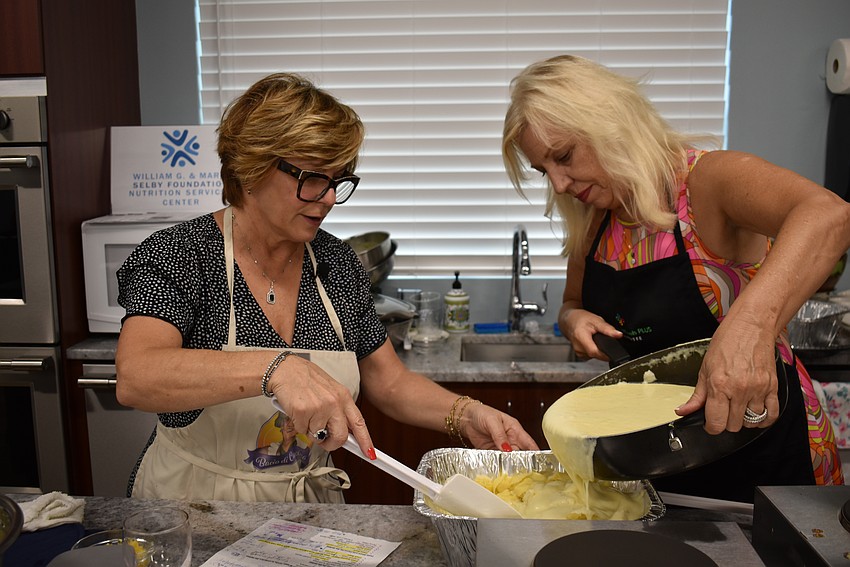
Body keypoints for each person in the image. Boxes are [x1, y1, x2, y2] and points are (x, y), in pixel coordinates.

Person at [115, 72, 538, 503]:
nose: (330, 197)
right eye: (313, 177)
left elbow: (389, 383)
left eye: (338, 180)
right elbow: (137, 375)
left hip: (307, 512)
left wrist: (464, 414)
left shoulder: (336, 263)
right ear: (251, 169)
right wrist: (276, 369)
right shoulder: (181, 254)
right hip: (192, 504)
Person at [502, 54, 850, 503]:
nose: (560, 184)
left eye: (564, 156)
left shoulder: (707, 181)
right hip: (659, 464)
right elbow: (571, 303)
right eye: (543, 172)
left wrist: (747, 329)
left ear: (610, 121)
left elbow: (830, 215)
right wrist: (573, 320)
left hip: (766, 450)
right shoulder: (595, 222)